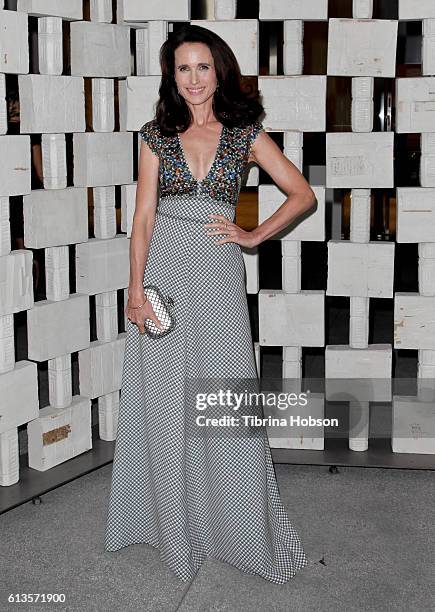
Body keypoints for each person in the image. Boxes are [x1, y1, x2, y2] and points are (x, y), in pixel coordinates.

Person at [104, 24, 316, 584]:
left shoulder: (244, 132)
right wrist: (134, 288)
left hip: (218, 272)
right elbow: (144, 218)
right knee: (166, 401)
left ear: (218, 70)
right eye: (182, 69)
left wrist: (253, 234)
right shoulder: (155, 134)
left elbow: (302, 194)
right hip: (164, 273)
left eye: (203, 67)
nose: (194, 79)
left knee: (224, 400)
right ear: (171, 76)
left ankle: (238, 529)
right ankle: (174, 526)